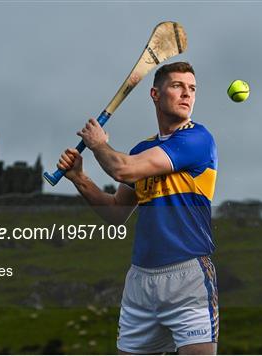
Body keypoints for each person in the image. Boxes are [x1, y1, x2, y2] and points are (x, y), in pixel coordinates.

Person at [57, 62, 218, 355]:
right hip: (140, 281)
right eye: (177, 86)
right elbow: (116, 212)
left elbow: (122, 170)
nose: (187, 94)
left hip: (187, 275)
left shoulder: (197, 139)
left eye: (192, 88)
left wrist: (98, 145)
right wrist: (80, 178)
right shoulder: (142, 150)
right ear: (155, 94)